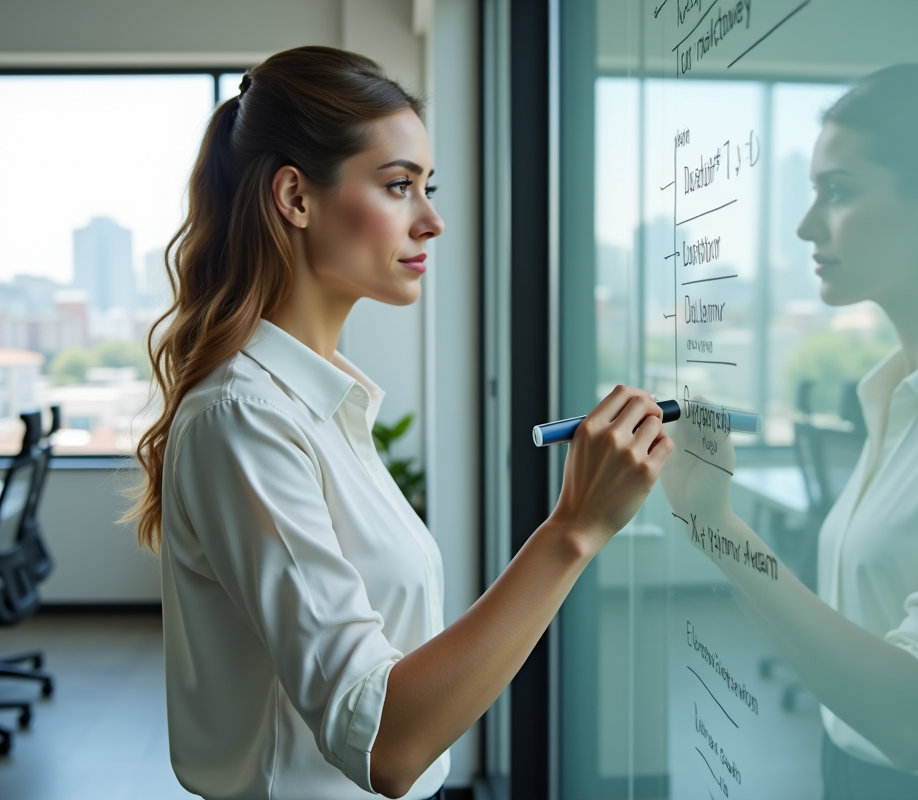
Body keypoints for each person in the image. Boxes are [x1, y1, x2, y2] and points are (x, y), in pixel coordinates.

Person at [126, 46, 673, 800]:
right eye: (398, 186)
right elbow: (383, 742)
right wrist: (572, 529)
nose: (433, 221)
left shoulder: (318, 405)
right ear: (295, 197)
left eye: (427, 186)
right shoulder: (245, 418)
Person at [662, 64, 918, 799]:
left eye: (841, 192)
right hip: (844, 774)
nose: (806, 225)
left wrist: (720, 527)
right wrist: (710, 526)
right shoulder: (892, 396)